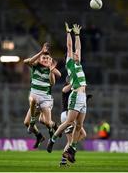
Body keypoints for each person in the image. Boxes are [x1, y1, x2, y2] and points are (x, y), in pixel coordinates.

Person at [47, 22, 87, 163]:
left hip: (83, 97)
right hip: (76, 95)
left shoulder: (78, 63)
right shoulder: (70, 63)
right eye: (74, 54)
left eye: (77, 54)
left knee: (80, 126)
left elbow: (78, 47)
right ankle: (52, 139)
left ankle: (72, 150)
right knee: (70, 121)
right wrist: (69, 33)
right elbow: (70, 47)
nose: (76, 54)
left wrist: (78, 35)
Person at [23, 42, 61, 148]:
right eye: (43, 58)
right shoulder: (35, 67)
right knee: (26, 122)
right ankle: (39, 136)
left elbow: (53, 82)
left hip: (45, 98)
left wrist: (51, 69)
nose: (45, 60)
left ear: (50, 61)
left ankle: (54, 125)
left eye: (47, 58)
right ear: (40, 58)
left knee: (47, 122)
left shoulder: (51, 70)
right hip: (35, 97)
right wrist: (41, 52)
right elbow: (28, 61)